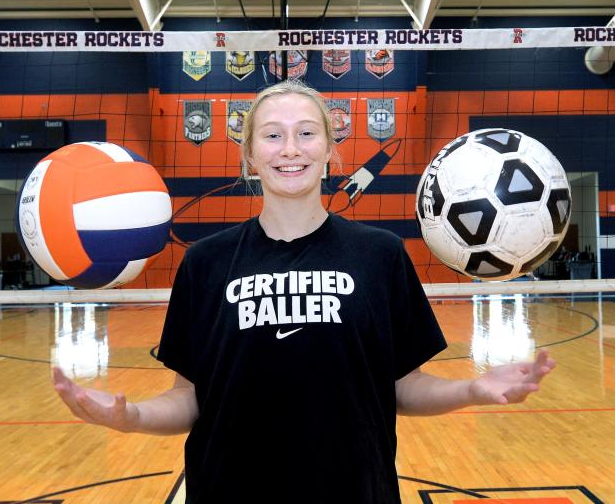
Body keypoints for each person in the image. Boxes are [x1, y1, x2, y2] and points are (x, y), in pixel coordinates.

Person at [52, 79, 556, 503]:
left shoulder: (380, 255)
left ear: (331, 152)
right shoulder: (205, 263)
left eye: (306, 133)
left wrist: (473, 389)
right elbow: (190, 399)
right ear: (249, 155)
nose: (290, 149)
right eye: (272, 135)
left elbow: (403, 386)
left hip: (357, 491)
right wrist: (131, 417)